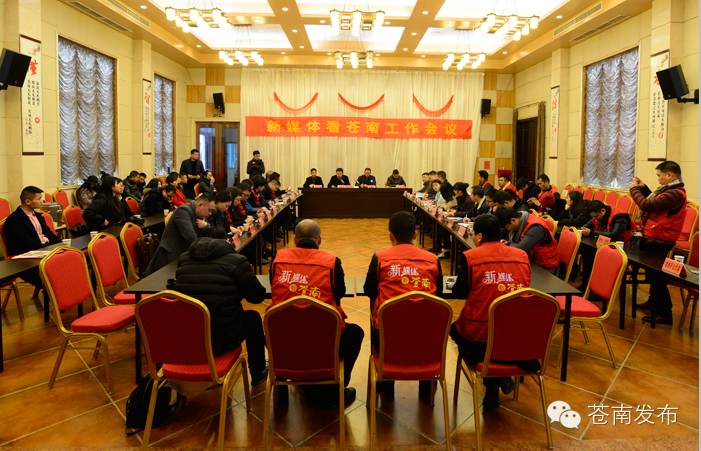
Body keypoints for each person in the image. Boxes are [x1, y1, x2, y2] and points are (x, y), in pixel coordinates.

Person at [270, 219, 364, 403]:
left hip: (285, 338)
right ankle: (336, 388)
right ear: (319, 240)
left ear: (295, 240)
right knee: (355, 333)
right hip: (323, 338)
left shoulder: (277, 259)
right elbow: (339, 293)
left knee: (267, 328)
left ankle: (282, 380)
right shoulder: (332, 262)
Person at [450, 214, 532, 409]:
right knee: (498, 335)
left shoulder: (471, 257)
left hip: (479, 336)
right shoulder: (522, 255)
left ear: (479, 236)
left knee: (454, 330)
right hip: (515, 337)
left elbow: (460, 292)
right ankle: (499, 377)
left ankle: (492, 378)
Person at [363, 211, 442, 399]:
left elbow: (369, 289)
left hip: (388, 335)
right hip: (426, 336)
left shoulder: (380, 258)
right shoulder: (433, 259)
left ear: (391, 236)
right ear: (415, 235)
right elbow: (438, 295)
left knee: (377, 309)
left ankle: (386, 385)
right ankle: (427, 388)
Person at [170, 237, 268, 385]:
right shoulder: (237, 261)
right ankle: (258, 371)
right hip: (222, 339)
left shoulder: (184, 259)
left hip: (189, 337)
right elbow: (257, 297)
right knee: (253, 318)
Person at [630, 161, 687, 325]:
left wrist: (634, 190)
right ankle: (653, 302)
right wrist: (643, 188)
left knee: (657, 276)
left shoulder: (675, 193)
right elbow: (656, 201)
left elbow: (648, 204)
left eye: (659, 175)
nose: (658, 179)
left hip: (661, 238)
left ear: (669, 175)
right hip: (655, 235)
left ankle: (664, 312)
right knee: (651, 274)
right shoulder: (669, 190)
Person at [3, 186, 61, 288]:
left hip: (41, 251)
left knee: (68, 259)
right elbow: (27, 243)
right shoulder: (14, 220)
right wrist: (49, 250)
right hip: (24, 260)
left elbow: (49, 234)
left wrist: (61, 245)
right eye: (39, 199)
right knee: (57, 270)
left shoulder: (38, 215)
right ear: (28, 202)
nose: (42, 201)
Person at [145, 194, 215, 275]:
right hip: (169, 258)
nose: (210, 213)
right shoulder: (183, 211)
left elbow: (203, 238)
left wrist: (206, 226)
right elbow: (190, 238)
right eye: (209, 210)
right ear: (200, 205)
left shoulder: (199, 215)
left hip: (183, 254)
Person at [578, 200, 633, 289]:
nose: (595, 219)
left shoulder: (619, 216)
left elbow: (614, 234)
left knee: (598, 257)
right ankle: (586, 285)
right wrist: (584, 229)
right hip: (607, 244)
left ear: (603, 211)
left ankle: (599, 289)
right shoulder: (597, 215)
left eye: (596, 216)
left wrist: (591, 232)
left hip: (623, 247)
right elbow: (586, 226)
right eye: (593, 217)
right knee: (587, 251)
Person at [496, 207, 559, 272]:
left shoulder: (535, 227)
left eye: (507, 227)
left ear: (513, 220)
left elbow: (521, 248)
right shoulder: (521, 220)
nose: (508, 230)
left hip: (545, 265)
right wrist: (508, 243)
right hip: (531, 259)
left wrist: (507, 245)